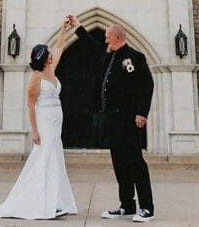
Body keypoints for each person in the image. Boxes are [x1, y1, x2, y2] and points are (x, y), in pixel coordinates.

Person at [0, 19, 77, 220]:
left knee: (54, 158)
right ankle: (43, 203)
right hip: (45, 121)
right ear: (44, 58)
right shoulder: (36, 77)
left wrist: (63, 29)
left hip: (56, 120)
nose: (52, 53)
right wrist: (34, 132)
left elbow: (60, 47)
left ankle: (55, 201)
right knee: (46, 158)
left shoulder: (51, 71)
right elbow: (30, 104)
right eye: (49, 52)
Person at [66, 14, 155, 223]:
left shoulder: (134, 57)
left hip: (128, 119)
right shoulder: (108, 55)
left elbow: (146, 85)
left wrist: (142, 112)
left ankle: (147, 208)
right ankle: (127, 205)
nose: (105, 40)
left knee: (135, 162)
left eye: (107, 37)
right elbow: (91, 45)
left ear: (116, 37)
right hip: (111, 119)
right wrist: (78, 26)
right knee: (119, 162)